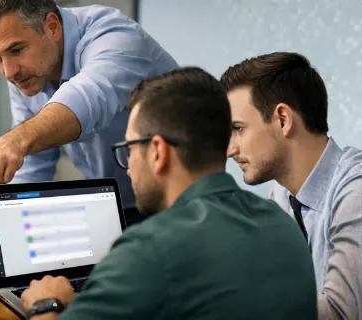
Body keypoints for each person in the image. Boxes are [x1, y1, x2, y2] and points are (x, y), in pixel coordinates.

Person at [18, 67, 316, 319]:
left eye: (130, 149)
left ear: (158, 151)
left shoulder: (149, 248)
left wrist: (46, 302)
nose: (129, 168)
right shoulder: (281, 223)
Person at [222, 52, 362, 319]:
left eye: (239, 129)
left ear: (283, 120)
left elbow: (340, 315)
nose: (230, 149)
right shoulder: (283, 195)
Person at [0, 0, 178, 225]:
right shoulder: (26, 73)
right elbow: (32, 163)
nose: (9, 72)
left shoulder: (114, 37)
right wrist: (9, 225)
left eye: (16, 50)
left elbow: (87, 98)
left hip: (175, 205)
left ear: (52, 27)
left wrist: (14, 141)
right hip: (114, 206)